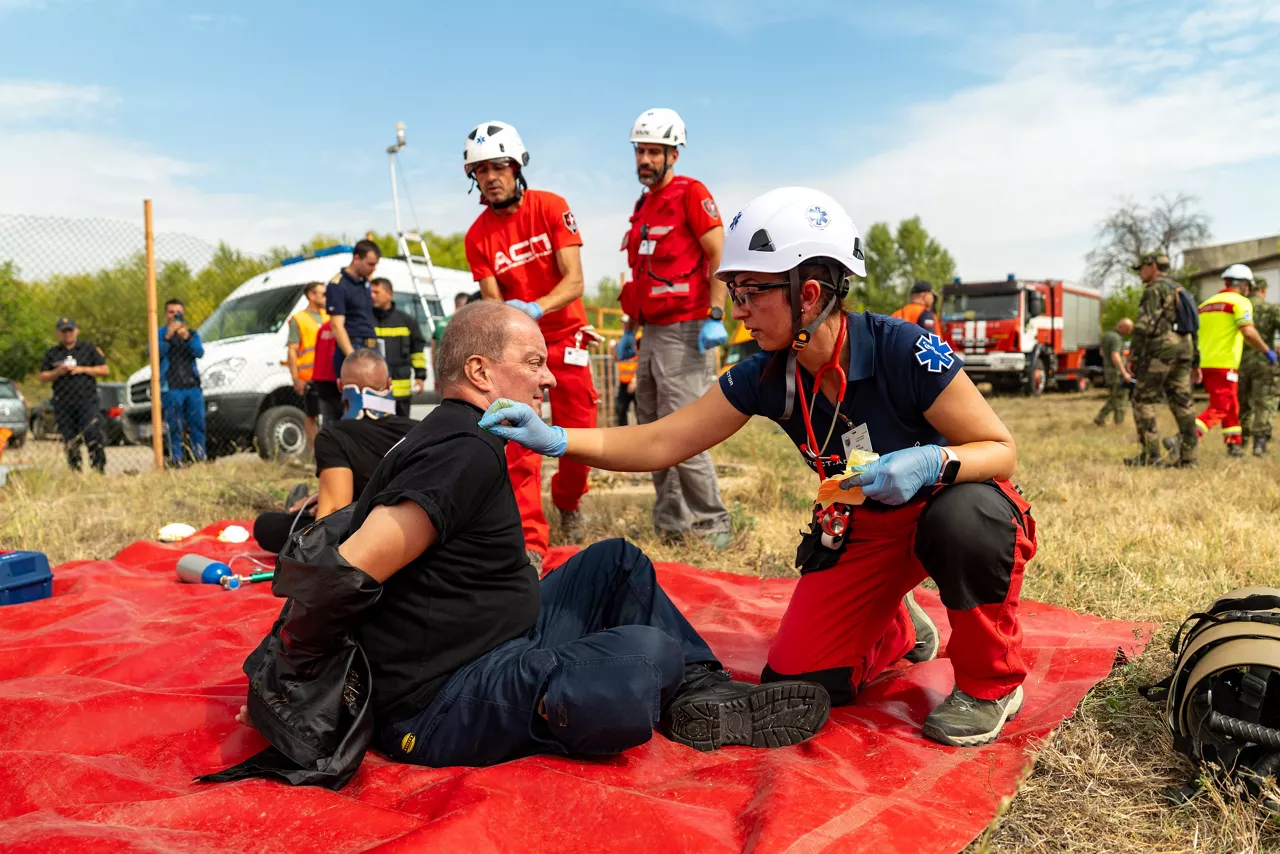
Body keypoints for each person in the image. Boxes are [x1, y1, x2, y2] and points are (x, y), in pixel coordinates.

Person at [482, 188, 1038, 748]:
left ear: (810, 294)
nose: (738, 310)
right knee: (799, 677)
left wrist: (932, 461)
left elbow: (1000, 448)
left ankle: (991, 684)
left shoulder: (906, 350)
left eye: (751, 292)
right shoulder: (767, 375)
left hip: (943, 512)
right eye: (734, 292)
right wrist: (554, 439)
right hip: (867, 531)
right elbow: (659, 442)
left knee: (968, 517)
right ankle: (893, 624)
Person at [236, 301, 830, 772]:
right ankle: (660, 684)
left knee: (617, 563)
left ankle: (703, 694)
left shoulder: (470, 435)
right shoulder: (463, 452)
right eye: (533, 361)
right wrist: (292, 687)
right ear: (479, 371)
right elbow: (346, 570)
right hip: (443, 699)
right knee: (646, 658)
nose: (549, 377)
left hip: (500, 637)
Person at [462, 120, 597, 562]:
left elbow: (574, 281)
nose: (491, 177)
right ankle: (532, 543)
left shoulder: (551, 206)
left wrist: (536, 308)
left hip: (566, 334)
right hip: (521, 347)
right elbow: (493, 302)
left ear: (516, 166)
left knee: (581, 435)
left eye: (498, 166)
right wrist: (514, 330)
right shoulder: (477, 236)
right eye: (480, 170)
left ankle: (568, 500)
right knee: (520, 443)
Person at [617, 108, 733, 547]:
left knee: (683, 429)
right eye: (639, 151)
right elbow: (641, 275)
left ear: (673, 154)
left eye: (653, 152)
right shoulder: (643, 206)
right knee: (651, 430)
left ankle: (712, 523)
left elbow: (718, 255)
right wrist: (630, 329)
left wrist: (716, 315)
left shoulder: (690, 193)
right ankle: (671, 523)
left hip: (687, 330)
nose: (644, 159)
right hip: (651, 332)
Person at [252, 349, 415, 553]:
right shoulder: (419, 429)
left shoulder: (333, 436)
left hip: (364, 537)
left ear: (340, 386)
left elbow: (334, 513)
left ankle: (302, 504)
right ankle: (317, 496)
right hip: (413, 533)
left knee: (267, 525)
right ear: (389, 385)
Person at [1195, 264, 1276, 458]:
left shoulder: (1206, 304)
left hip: (1205, 363)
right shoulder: (1239, 302)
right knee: (1221, 406)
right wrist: (1267, 351)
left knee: (1232, 405)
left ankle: (1234, 446)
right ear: (1244, 285)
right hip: (1225, 363)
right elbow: (1248, 331)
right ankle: (1185, 436)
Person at [1126, 251, 1199, 467]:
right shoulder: (1180, 289)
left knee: (1142, 399)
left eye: (1142, 267)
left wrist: (1134, 355)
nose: (1140, 272)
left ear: (1153, 266)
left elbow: (1143, 326)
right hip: (1185, 348)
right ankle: (1189, 458)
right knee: (1183, 402)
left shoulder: (1155, 289)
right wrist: (1196, 361)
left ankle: (1151, 456)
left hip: (1161, 350)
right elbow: (1194, 327)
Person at [38, 317, 108, 474]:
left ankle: (98, 469)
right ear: (58, 333)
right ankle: (75, 471)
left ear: (76, 331)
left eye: (70, 330)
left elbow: (104, 370)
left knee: (93, 434)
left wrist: (82, 369)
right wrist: (58, 372)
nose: (67, 334)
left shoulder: (88, 349)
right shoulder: (52, 353)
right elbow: (42, 377)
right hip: (63, 403)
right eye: (64, 331)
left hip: (87, 401)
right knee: (70, 439)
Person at [155, 299, 206, 466]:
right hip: (171, 386)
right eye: (171, 312)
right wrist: (168, 337)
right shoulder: (160, 334)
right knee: (174, 425)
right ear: (165, 315)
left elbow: (199, 352)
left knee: (197, 423)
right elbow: (153, 353)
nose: (175, 315)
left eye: (178, 312)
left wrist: (187, 338)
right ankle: (177, 459)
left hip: (191, 386)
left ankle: (199, 456)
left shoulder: (192, 334)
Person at [370, 277, 428, 418]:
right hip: (374, 389)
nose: (372, 296)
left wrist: (420, 376)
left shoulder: (407, 321)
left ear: (389, 294)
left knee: (401, 430)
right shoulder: (366, 320)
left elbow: (417, 351)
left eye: (376, 292)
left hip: (401, 391)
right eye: (370, 292)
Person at [325, 239, 381, 378]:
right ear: (356, 258)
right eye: (370, 264)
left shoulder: (364, 282)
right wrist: (352, 356)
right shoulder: (338, 285)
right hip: (354, 344)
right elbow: (336, 325)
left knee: (378, 394)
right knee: (356, 396)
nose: (374, 268)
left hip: (371, 345)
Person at [1240, 276, 1280, 456]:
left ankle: (1239, 443)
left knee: (1242, 404)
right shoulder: (1271, 309)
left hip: (1239, 363)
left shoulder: (1239, 307)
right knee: (1265, 402)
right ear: (1263, 291)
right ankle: (1259, 444)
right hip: (1265, 363)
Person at [287, 281, 330, 448]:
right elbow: (292, 350)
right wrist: (296, 378)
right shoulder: (299, 319)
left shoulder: (329, 316)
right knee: (312, 414)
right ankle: (315, 452)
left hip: (328, 374)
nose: (326, 297)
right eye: (323, 294)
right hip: (309, 377)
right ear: (311, 295)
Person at [1094, 318, 1133, 427]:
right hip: (1116, 373)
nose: (1128, 332)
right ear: (1121, 327)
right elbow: (1115, 355)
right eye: (1128, 329)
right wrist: (1124, 372)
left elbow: (1102, 352)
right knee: (1120, 398)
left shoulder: (1106, 335)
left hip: (1108, 371)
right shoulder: (1116, 338)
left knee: (1114, 397)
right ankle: (1119, 423)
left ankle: (1100, 417)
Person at [614, 323, 639, 426]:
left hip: (636, 383)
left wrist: (635, 380)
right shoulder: (623, 341)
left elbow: (643, 361)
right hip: (623, 383)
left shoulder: (639, 339)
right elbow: (617, 359)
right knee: (620, 410)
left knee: (641, 412)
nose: (625, 326)